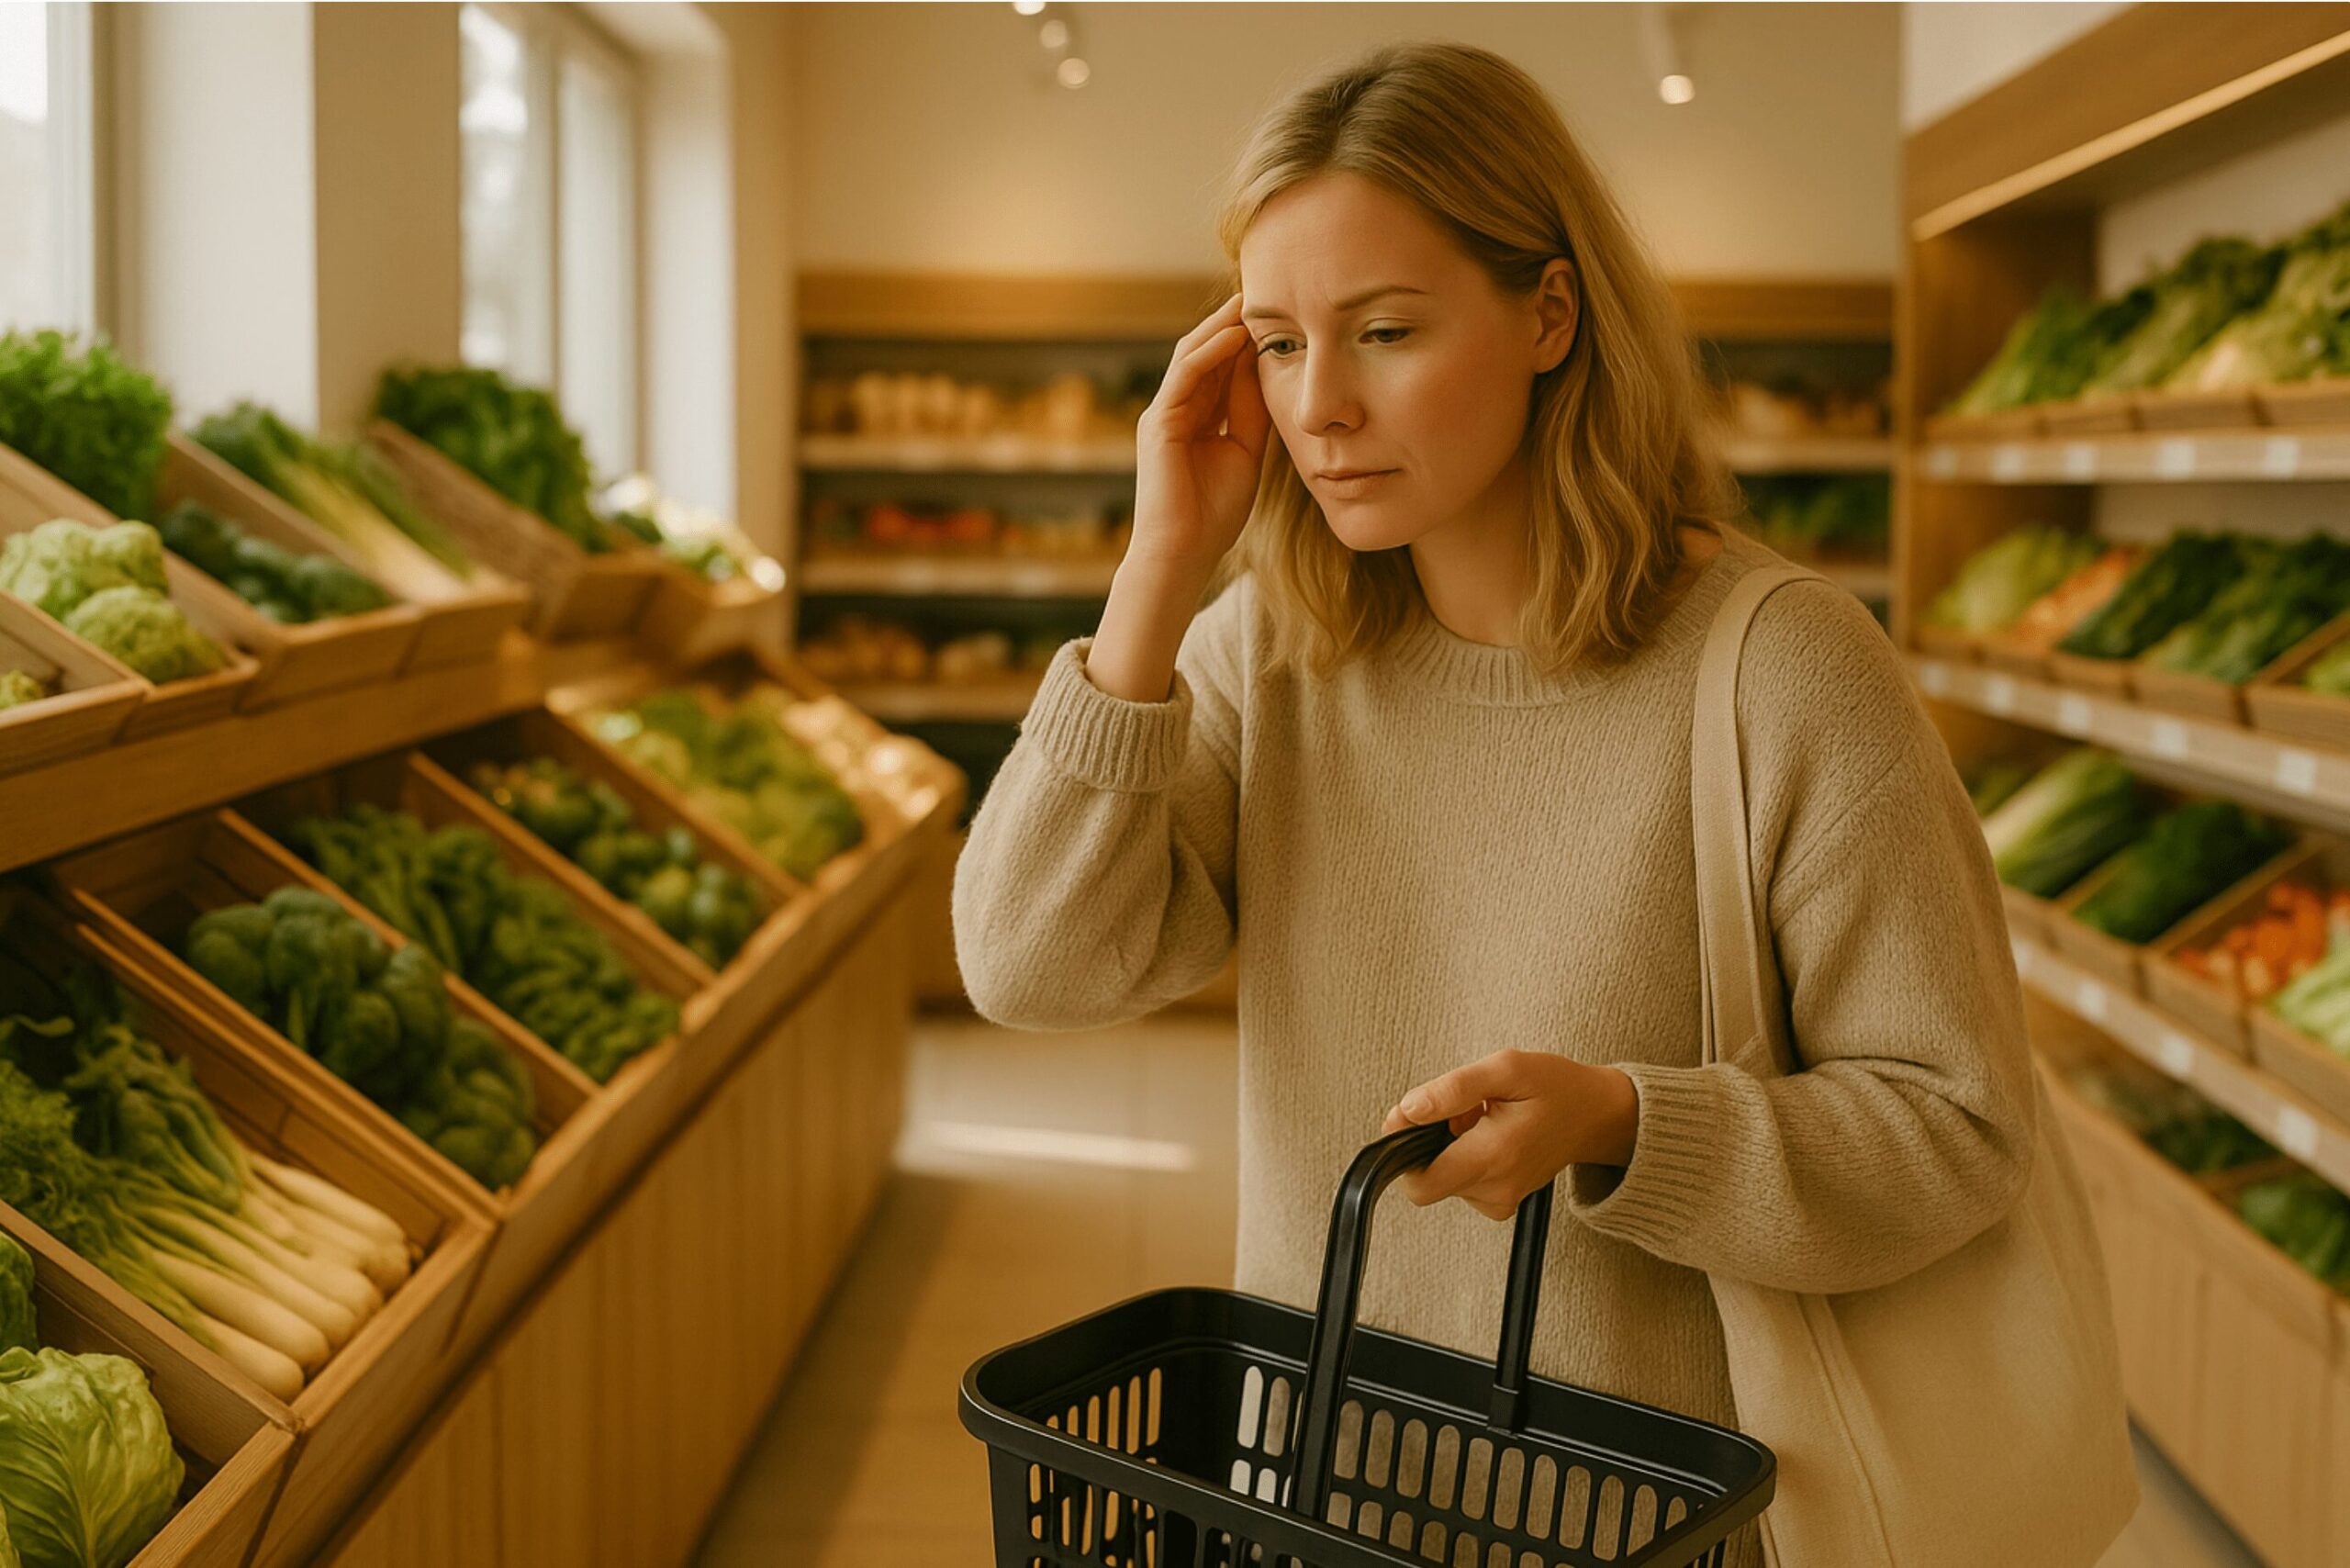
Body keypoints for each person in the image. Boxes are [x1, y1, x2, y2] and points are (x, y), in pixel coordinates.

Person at [954, 40, 2070, 1568]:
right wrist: (1156, 573)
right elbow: (1028, 966)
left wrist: (1627, 1125)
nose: (1320, 406)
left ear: (1551, 313)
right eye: (1276, 344)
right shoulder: (1268, 652)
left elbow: (1957, 1132)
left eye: (1385, 331)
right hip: (1318, 1498)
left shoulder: (1785, 671)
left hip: (1660, 1524)